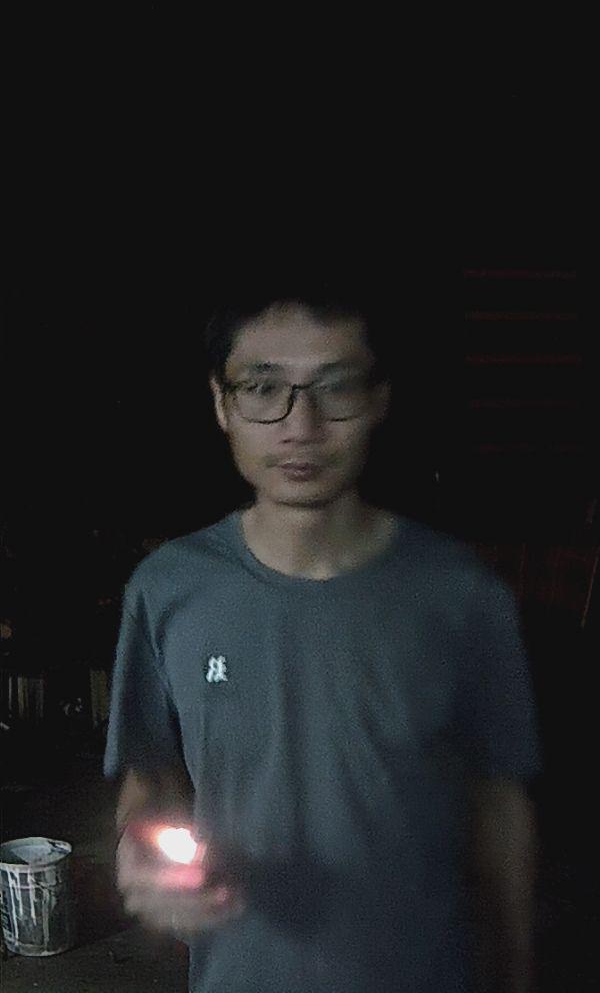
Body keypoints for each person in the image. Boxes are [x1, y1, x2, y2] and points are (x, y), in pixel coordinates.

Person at [104, 294, 542, 992]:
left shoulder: (463, 595)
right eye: (264, 388)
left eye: (335, 387)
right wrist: (138, 848)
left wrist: (516, 972)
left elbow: (499, 805)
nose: (300, 426)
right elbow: (150, 776)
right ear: (221, 403)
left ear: (378, 399)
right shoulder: (167, 589)